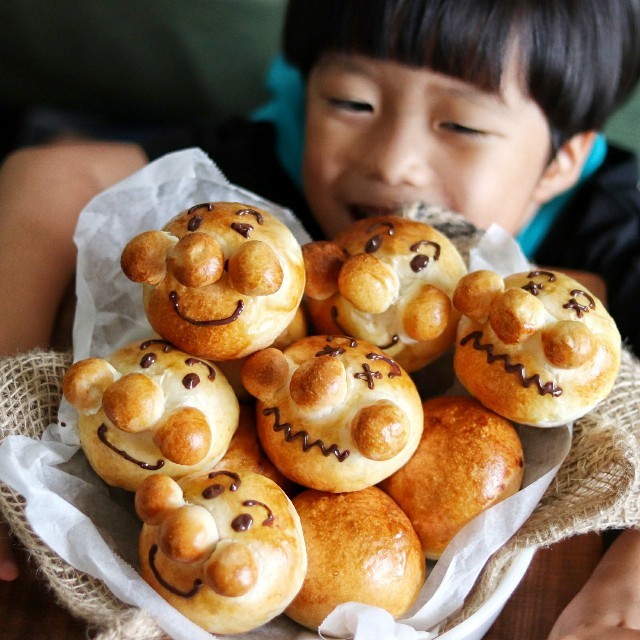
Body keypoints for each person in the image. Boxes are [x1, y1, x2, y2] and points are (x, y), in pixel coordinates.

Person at [0, 1, 639, 637]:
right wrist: (11, 428)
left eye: (463, 126)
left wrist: (623, 591)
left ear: (561, 161)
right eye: (352, 103)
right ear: (305, 95)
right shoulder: (261, 163)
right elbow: (46, 173)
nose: (391, 160)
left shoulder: (614, 219)